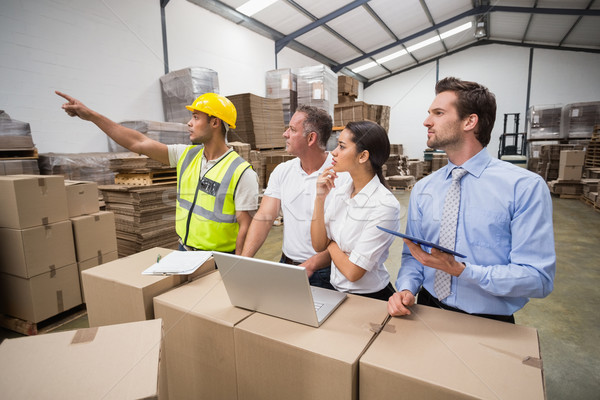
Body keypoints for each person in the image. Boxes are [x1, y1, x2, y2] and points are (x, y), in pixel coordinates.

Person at [387, 77, 556, 323]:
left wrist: (463, 272)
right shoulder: (424, 188)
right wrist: (406, 288)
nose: (427, 121)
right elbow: (414, 255)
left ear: (470, 121)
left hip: (489, 321)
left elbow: (538, 278)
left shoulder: (524, 187)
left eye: (438, 113)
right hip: (426, 308)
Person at [56, 91, 258, 254]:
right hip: (184, 251)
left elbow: (246, 228)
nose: (189, 123)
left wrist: (236, 270)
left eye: (196, 117)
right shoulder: (186, 156)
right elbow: (138, 142)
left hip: (218, 260)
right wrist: (91, 116)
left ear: (214, 123)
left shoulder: (241, 172)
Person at [241, 105, 349, 289]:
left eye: (291, 129)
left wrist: (312, 264)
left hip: (327, 272)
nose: (285, 134)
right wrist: (243, 261)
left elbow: (347, 239)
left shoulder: (344, 174)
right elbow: (264, 218)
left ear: (311, 138)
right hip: (288, 264)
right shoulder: (283, 171)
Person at [311, 120, 401, 301]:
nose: (333, 152)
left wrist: (332, 244)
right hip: (336, 291)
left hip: (370, 298)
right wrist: (319, 199)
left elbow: (353, 272)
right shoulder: (339, 191)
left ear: (363, 156)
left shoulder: (384, 205)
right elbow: (318, 245)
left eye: (342, 147)